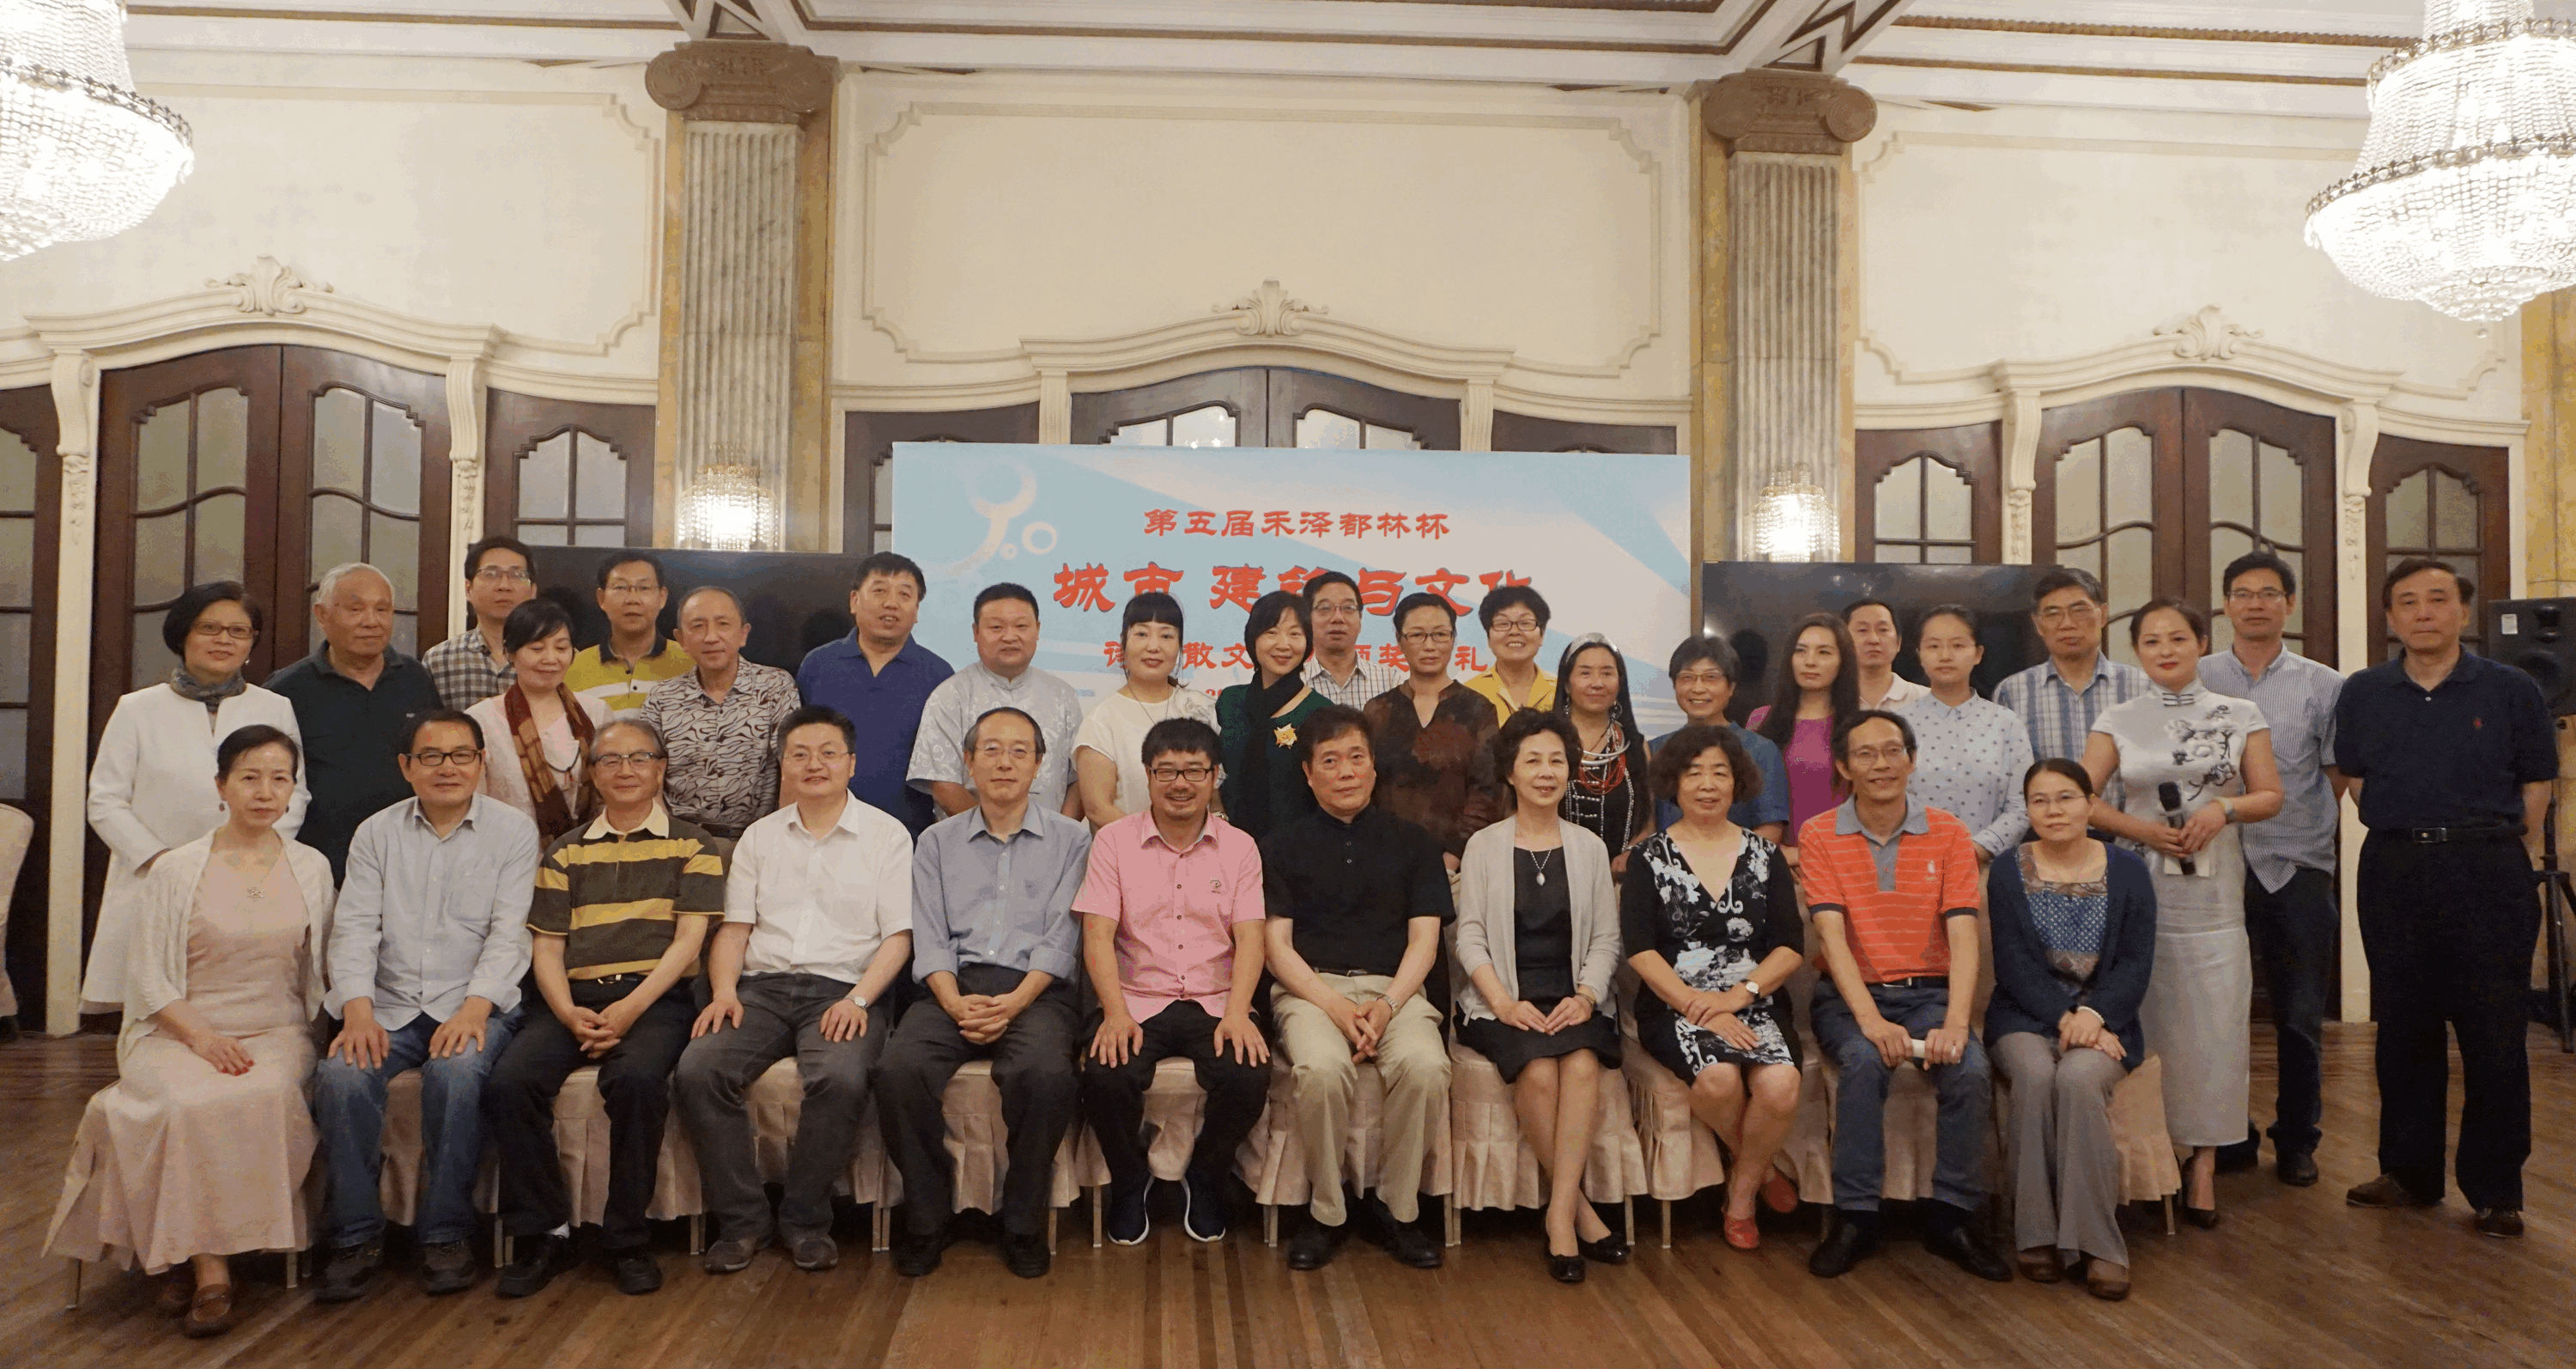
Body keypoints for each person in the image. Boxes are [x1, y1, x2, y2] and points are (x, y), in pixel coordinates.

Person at [46, 726, 335, 1338]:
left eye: (279, 779)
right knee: (183, 1102)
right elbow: (148, 977)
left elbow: (323, 969)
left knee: (262, 1092)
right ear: (221, 786)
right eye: (249, 778)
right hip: (177, 1029)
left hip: (277, 1030)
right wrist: (201, 1038)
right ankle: (211, 1271)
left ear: (294, 789)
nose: (264, 792)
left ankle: (179, 1254)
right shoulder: (177, 868)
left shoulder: (312, 867)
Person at [2335, 559, 2555, 1238]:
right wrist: (2411, 826)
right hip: (2396, 868)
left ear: (2463, 610)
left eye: (2438, 599)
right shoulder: (2364, 692)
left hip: (2488, 869)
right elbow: (2355, 778)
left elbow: (2538, 785)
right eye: (2407, 602)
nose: (2423, 612)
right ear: (2390, 617)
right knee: (2403, 1026)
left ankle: (2496, 1189)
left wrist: (2487, 841)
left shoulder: (2512, 688)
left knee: (2494, 1032)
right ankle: (2409, 1172)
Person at [483, 717, 724, 1299]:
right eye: (610, 760)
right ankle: (546, 1233)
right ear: (592, 773)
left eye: (639, 758)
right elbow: (546, 947)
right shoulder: (565, 851)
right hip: (571, 1000)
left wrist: (630, 1009)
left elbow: (689, 943)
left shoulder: (694, 844)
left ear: (661, 769)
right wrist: (568, 1014)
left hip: (656, 1000)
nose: (625, 770)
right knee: (510, 1084)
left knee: (636, 1082)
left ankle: (626, 1238)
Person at [309, 709, 540, 1301]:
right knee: (340, 1077)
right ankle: (355, 1235)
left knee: (457, 1074)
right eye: (431, 756)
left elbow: (509, 934)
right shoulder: (376, 833)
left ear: (481, 763)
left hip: (475, 1002)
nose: (447, 768)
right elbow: (354, 928)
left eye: (461, 755)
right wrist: (356, 1010)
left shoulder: (513, 832)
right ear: (406, 767)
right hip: (387, 1006)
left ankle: (447, 1233)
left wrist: (474, 1009)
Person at [677, 705, 914, 1275]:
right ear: (783, 764)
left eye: (828, 753)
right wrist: (724, 992)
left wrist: (858, 1000)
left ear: (851, 763)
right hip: (759, 988)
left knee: (840, 1077)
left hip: (843, 988)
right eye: (800, 754)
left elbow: (899, 938)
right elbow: (735, 929)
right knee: (699, 1071)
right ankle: (743, 1222)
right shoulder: (760, 837)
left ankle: (805, 1221)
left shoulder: (886, 835)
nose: (814, 765)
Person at [2081, 598, 2283, 1228]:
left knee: (2216, 1032)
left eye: (2177, 638)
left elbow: (2270, 795)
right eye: (2151, 641)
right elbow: (2082, 797)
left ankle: (2203, 1166)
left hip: (2216, 891)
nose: (2165, 650)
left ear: (2201, 643)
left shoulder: (2240, 714)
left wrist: (2222, 810)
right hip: (2143, 888)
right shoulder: (2118, 718)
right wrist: (2141, 829)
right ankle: (2152, 1158)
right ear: (2136, 651)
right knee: (2150, 1023)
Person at [879, 707, 1087, 1280]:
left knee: (1044, 1075)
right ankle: (927, 1217)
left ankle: (1021, 1222)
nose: (1005, 762)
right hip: (952, 987)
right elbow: (929, 933)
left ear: (1039, 765)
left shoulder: (1072, 839)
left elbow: (1062, 935)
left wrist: (1015, 1002)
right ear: (968, 762)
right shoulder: (935, 841)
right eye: (991, 750)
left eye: (1020, 751)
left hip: (1036, 992)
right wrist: (951, 1001)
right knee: (899, 1071)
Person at [1800, 710, 2008, 1282]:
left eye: (1893, 751)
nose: (1881, 764)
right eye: (1865, 754)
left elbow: (1964, 936)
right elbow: (1831, 937)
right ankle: (1857, 1217)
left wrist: (1957, 1022)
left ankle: (1952, 1217)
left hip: (1930, 995)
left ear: (1912, 761)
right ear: (1844, 767)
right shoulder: (1819, 834)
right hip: (1849, 1000)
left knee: (1969, 1069)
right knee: (1864, 1063)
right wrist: (1871, 1021)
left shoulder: (1950, 833)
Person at [1260, 704, 1451, 1272]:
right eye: (1330, 761)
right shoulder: (1279, 847)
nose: (1345, 772)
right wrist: (1335, 1005)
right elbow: (1276, 949)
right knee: (1320, 1070)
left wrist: (1388, 1006)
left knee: (1426, 1067)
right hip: (1311, 991)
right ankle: (1327, 1211)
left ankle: (1397, 1208)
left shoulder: (1414, 842)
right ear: (1307, 773)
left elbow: (1425, 942)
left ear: (1373, 766)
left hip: (1397, 990)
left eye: (1356, 758)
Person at [1076, 717, 1271, 1246]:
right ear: (1147, 775)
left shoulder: (1240, 847)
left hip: (1215, 999)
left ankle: (1205, 1178)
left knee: (1248, 1074)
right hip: (1137, 997)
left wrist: (1239, 1013)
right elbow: (1098, 935)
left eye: (1193, 771)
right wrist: (1114, 1013)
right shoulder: (1114, 842)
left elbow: (1251, 939)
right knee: (1105, 1075)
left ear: (1214, 776)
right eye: (1166, 771)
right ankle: (1130, 1181)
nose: (1180, 783)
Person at [1454, 711, 1627, 1283]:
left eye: (1556, 761)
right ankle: (1578, 1214)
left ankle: (1559, 1214)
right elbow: (1470, 937)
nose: (1546, 772)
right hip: (1503, 997)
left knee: (1580, 1064)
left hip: (1573, 994)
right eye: (1532, 761)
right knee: (1538, 1072)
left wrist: (1587, 995)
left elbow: (1605, 938)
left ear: (1570, 771)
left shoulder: (1589, 847)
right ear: (1510, 772)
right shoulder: (1484, 846)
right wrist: (1503, 1003)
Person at [83, 583, 306, 1013]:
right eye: (209, 628)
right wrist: (162, 862)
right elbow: (105, 801)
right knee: (155, 1001)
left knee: (237, 997)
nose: (224, 640)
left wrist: (251, 853)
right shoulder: (137, 709)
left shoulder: (275, 707)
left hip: (246, 876)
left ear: (251, 642)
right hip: (154, 876)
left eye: (238, 631)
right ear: (182, 633)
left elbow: (294, 792)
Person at [1623, 724, 1804, 1252]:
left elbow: (1790, 947)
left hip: (1754, 999)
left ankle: (1740, 1195)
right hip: (1675, 1004)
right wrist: (1700, 1006)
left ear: (1737, 782)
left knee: (1780, 1085)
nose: (1707, 784)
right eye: (1694, 773)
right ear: (1673, 783)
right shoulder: (1648, 858)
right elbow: (1641, 950)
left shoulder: (1765, 855)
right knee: (1720, 1080)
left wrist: (1736, 998)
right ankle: (1761, 1170)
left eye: (1719, 773)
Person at [2196, 550, 2344, 1187]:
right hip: (2213, 864)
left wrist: (2301, 828)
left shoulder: (2323, 684)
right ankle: (2226, 1135)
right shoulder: (2197, 677)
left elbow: (2334, 773)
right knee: (2215, 1011)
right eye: (2242, 593)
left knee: (2300, 1014)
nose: (2255, 604)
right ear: (2225, 605)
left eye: (2268, 593)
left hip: (2296, 866)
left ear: (2289, 604)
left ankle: (2297, 1139)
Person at [1986, 758, 2155, 1299]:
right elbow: (2013, 965)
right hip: (2024, 1015)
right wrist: (2065, 1018)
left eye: (2065, 798)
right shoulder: (2008, 870)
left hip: (2107, 1019)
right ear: (2027, 811)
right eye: (2039, 801)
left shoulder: (2129, 870)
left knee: (2079, 1080)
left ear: (2090, 804)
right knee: (2036, 1076)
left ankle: (2098, 1244)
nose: (2053, 811)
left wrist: (2094, 1016)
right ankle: (2035, 1235)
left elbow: (2135, 963)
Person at [270, 562, 445, 881]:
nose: (371, 621)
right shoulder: (286, 691)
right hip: (319, 864)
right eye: (355, 609)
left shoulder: (416, 678)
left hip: (410, 860)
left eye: (382, 609)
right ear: (322, 615)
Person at [797, 551, 955, 836]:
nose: (891, 603)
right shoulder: (817, 665)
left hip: (907, 833)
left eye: (904, 595)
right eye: (880, 591)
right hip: (822, 827)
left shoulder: (938, 674)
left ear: (916, 611)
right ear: (854, 601)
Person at [908, 583, 1084, 823]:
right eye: (996, 627)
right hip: (969, 839)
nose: (1009, 637)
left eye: (1021, 626)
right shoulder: (950, 695)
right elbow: (943, 784)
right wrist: (991, 834)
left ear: (1037, 630)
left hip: (1051, 840)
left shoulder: (1063, 695)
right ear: (976, 632)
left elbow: (1078, 780)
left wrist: (1060, 834)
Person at [639, 586, 801, 839]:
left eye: (723, 624)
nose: (711, 637)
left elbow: (792, 767)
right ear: (681, 639)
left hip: (757, 839)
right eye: (698, 626)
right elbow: (648, 774)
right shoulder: (662, 698)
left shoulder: (775, 687)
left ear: (743, 634)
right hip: (682, 840)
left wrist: (781, 840)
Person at [1362, 592, 1503, 872]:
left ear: (1453, 639)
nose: (1430, 646)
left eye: (1440, 635)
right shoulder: (1377, 710)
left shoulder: (1478, 709)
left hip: (1458, 867)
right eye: (1417, 635)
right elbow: (1366, 788)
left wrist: (1451, 860)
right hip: (1385, 862)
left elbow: (1487, 793)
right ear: (1400, 641)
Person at [466, 599, 613, 848]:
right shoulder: (481, 721)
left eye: (561, 648)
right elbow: (473, 806)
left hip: (589, 857)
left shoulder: (597, 713)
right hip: (509, 855)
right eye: (537, 648)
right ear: (510, 653)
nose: (551, 659)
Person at [1894, 605, 2034, 862]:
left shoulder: (2006, 724)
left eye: (1958, 645)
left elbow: (2022, 805)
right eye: (1933, 646)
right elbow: (1884, 800)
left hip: (1989, 867)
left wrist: (1975, 850)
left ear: (1978, 654)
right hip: (1913, 865)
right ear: (1919, 655)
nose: (1945, 655)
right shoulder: (1898, 725)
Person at [1073, 592, 1216, 827]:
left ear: (1180, 645)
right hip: (1128, 848)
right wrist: (1158, 842)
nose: (1153, 646)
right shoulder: (1102, 721)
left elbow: (1218, 794)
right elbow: (1098, 809)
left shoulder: (1204, 709)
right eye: (1141, 634)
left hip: (1202, 847)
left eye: (1166, 635)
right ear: (1123, 642)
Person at [1993, 567, 2148, 766]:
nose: (2067, 624)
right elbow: (2006, 773)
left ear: (2102, 615)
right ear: (2038, 624)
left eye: (2079, 611)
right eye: (2053, 613)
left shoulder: (2141, 687)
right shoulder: (2012, 692)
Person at [1649, 635, 1789, 843]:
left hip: (1738, 861)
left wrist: (1723, 860)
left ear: (1731, 687)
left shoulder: (1760, 750)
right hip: (1667, 862)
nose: (1698, 688)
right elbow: (1646, 825)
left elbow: (1770, 828)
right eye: (1687, 677)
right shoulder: (1655, 750)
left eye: (1710, 678)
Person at [1217, 591, 1333, 839]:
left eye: (1295, 634)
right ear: (1252, 639)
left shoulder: (1321, 712)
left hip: (1298, 847)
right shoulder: (1229, 701)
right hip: (1230, 845)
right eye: (1272, 632)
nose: (1283, 644)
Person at [1748, 612, 1862, 864]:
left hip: (1838, 862)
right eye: (1801, 651)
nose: (1810, 661)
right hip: (1769, 862)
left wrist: (1805, 855)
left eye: (1824, 652)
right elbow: (1747, 802)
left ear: (1843, 662)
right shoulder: (1760, 720)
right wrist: (1778, 855)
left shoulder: (1860, 726)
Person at [1552, 635, 1650, 876]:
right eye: (1585, 673)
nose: (1597, 683)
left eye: (1607, 673)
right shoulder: (1545, 741)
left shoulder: (1636, 746)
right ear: (1566, 684)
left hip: (1619, 881)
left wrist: (1632, 852)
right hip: (1552, 875)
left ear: (1620, 683)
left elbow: (1649, 820)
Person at [566, 551, 691, 718]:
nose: (632, 599)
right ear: (601, 598)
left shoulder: (691, 664)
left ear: (662, 597)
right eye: (620, 588)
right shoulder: (572, 669)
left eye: (644, 588)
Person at [422, 535, 533, 711]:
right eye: (491, 574)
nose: (504, 585)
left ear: (532, 591)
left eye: (517, 575)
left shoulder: (557, 659)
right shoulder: (439, 661)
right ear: (468, 589)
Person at [1300, 571, 1403, 709]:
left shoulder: (1392, 682)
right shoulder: (1294, 684)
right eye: (1325, 608)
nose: (1338, 618)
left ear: (1360, 618)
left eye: (1348, 608)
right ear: (1307, 619)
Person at [1462, 583, 1557, 722]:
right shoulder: (1468, 695)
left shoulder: (1561, 692)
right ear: (1488, 637)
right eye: (1503, 623)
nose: (1514, 631)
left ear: (1542, 635)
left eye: (1525, 623)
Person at [1843, 599, 1929, 712]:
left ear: (1898, 642)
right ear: (1843, 640)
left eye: (1883, 630)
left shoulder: (1927, 700)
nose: (1874, 639)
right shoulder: (1829, 701)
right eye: (1862, 630)